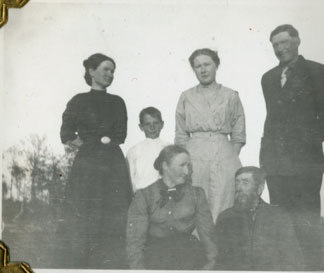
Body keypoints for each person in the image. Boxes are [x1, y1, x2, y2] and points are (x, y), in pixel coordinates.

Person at [259, 24, 324, 269]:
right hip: (276, 165)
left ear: (297, 41)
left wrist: (305, 146)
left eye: (284, 42)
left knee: (307, 223)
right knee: (281, 223)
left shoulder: (317, 71)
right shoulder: (268, 78)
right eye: (275, 45)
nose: (280, 49)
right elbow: (273, 118)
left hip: (305, 164)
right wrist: (266, 157)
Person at [57, 53, 133, 269]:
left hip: (112, 165)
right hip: (87, 166)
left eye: (112, 71)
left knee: (114, 210)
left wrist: (100, 142)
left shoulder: (118, 102)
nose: (110, 75)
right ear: (91, 71)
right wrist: (87, 146)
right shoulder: (78, 101)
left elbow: (121, 135)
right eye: (105, 69)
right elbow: (66, 133)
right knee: (85, 211)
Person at [175, 48, 246, 221]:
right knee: (196, 202)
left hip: (224, 154)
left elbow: (238, 131)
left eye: (207, 64)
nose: (203, 69)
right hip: (195, 155)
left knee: (225, 200)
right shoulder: (186, 96)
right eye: (197, 66)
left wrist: (229, 155)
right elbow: (181, 133)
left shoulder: (230, 95)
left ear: (216, 66)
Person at [126, 145, 217, 270]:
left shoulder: (197, 194)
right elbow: (135, 242)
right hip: (154, 260)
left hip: (190, 259)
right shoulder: (144, 196)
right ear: (165, 166)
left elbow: (209, 236)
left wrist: (210, 266)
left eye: (188, 166)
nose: (187, 171)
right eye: (182, 165)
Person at [215, 166, 304, 271]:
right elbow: (221, 261)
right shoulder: (225, 218)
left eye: (245, 183)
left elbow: (293, 260)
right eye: (237, 183)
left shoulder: (278, 217)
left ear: (259, 188)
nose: (239, 188)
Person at [126, 107, 169, 192]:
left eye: (156, 123)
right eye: (147, 124)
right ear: (141, 127)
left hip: (166, 194)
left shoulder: (169, 148)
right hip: (142, 194)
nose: (152, 127)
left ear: (162, 124)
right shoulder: (134, 150)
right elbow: (130, 177)